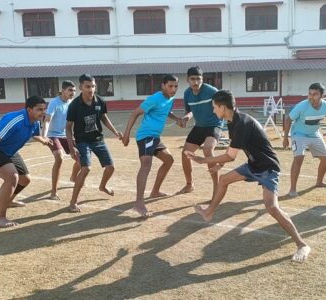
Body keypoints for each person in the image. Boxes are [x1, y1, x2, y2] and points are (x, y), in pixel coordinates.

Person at [187, 90, 311, 262]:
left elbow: (231, 156)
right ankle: (209, 212)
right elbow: (234, 148)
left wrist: (203, 160)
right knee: (223, 180)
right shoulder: (232, 121)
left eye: (215, 107)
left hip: (268, 168)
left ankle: (302, 244)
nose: (214, 111)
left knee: (272, 208)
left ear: (223, 107)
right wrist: (219, 165)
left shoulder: (242, 123)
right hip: (253, 165)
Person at [0, 96, 52, 227]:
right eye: (39, 109)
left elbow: (33, 134)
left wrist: (43, 140)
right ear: (29, 109)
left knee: (25, 179)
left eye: (44, 109)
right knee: (12, 177)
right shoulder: (15, 120)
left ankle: (9, 200)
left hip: (9, 151)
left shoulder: (35, 121)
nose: (43, 112)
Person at [122, 74, 182, 217]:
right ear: (163, 86)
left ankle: (155, 191)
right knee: (146, 165)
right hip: (145, 136)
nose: (173, 89)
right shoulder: (155, 98)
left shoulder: (170, 98)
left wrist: (177, 119)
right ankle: (138, 203)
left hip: (155, 137)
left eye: (176, 86)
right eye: (170, 86)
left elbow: (167, 111)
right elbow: (135, 113)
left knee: (169, 160)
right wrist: (126, 135)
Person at [66, 74, 123, 212]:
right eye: (87, 86)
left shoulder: (100, 101)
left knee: (110, 167)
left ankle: (102, 186)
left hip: (98, 140)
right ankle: (73, 203)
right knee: (86, 169)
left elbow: (103, 117)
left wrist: (115, 132)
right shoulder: (74, 105)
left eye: (93, 86)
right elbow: (68, 128)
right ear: (81, 87)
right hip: (82, 141)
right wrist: (71, 148)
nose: (91, 89)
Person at [283, 82, 326, 198]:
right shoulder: (302, 106)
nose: (311, 97)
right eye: (310, 94)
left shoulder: (325, 105)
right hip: (299, 134)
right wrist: (286, 138)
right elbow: (288, 119)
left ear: (322, 95)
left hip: (314, 134)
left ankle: (319, 182)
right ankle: (292, 189)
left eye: (315, 94)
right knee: (298, 159)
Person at [178, 66, 224, 197]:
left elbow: (224, 107)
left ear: (202, 79)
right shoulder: (187, 94)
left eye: (198, 79)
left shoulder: (212, 91)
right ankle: (189, 184)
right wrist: (186, 117)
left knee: (208, 150)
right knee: (185, 153)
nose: (196, 82)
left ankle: (217, 188)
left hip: (214, 125)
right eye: (192, 79)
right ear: (188, 80)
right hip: (199, 126)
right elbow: (189, 111)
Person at [42, 80, 80, 200]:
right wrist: (44, 135)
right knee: (59, 157)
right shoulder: (54, 103)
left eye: (74, 90)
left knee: (81, 158)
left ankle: (73, 177)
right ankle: (54, 192)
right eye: (70, 90)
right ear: (63, 90)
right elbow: (47, 120)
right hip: (53, 135)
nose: (72, 93)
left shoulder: (73, 102)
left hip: (67, 135)